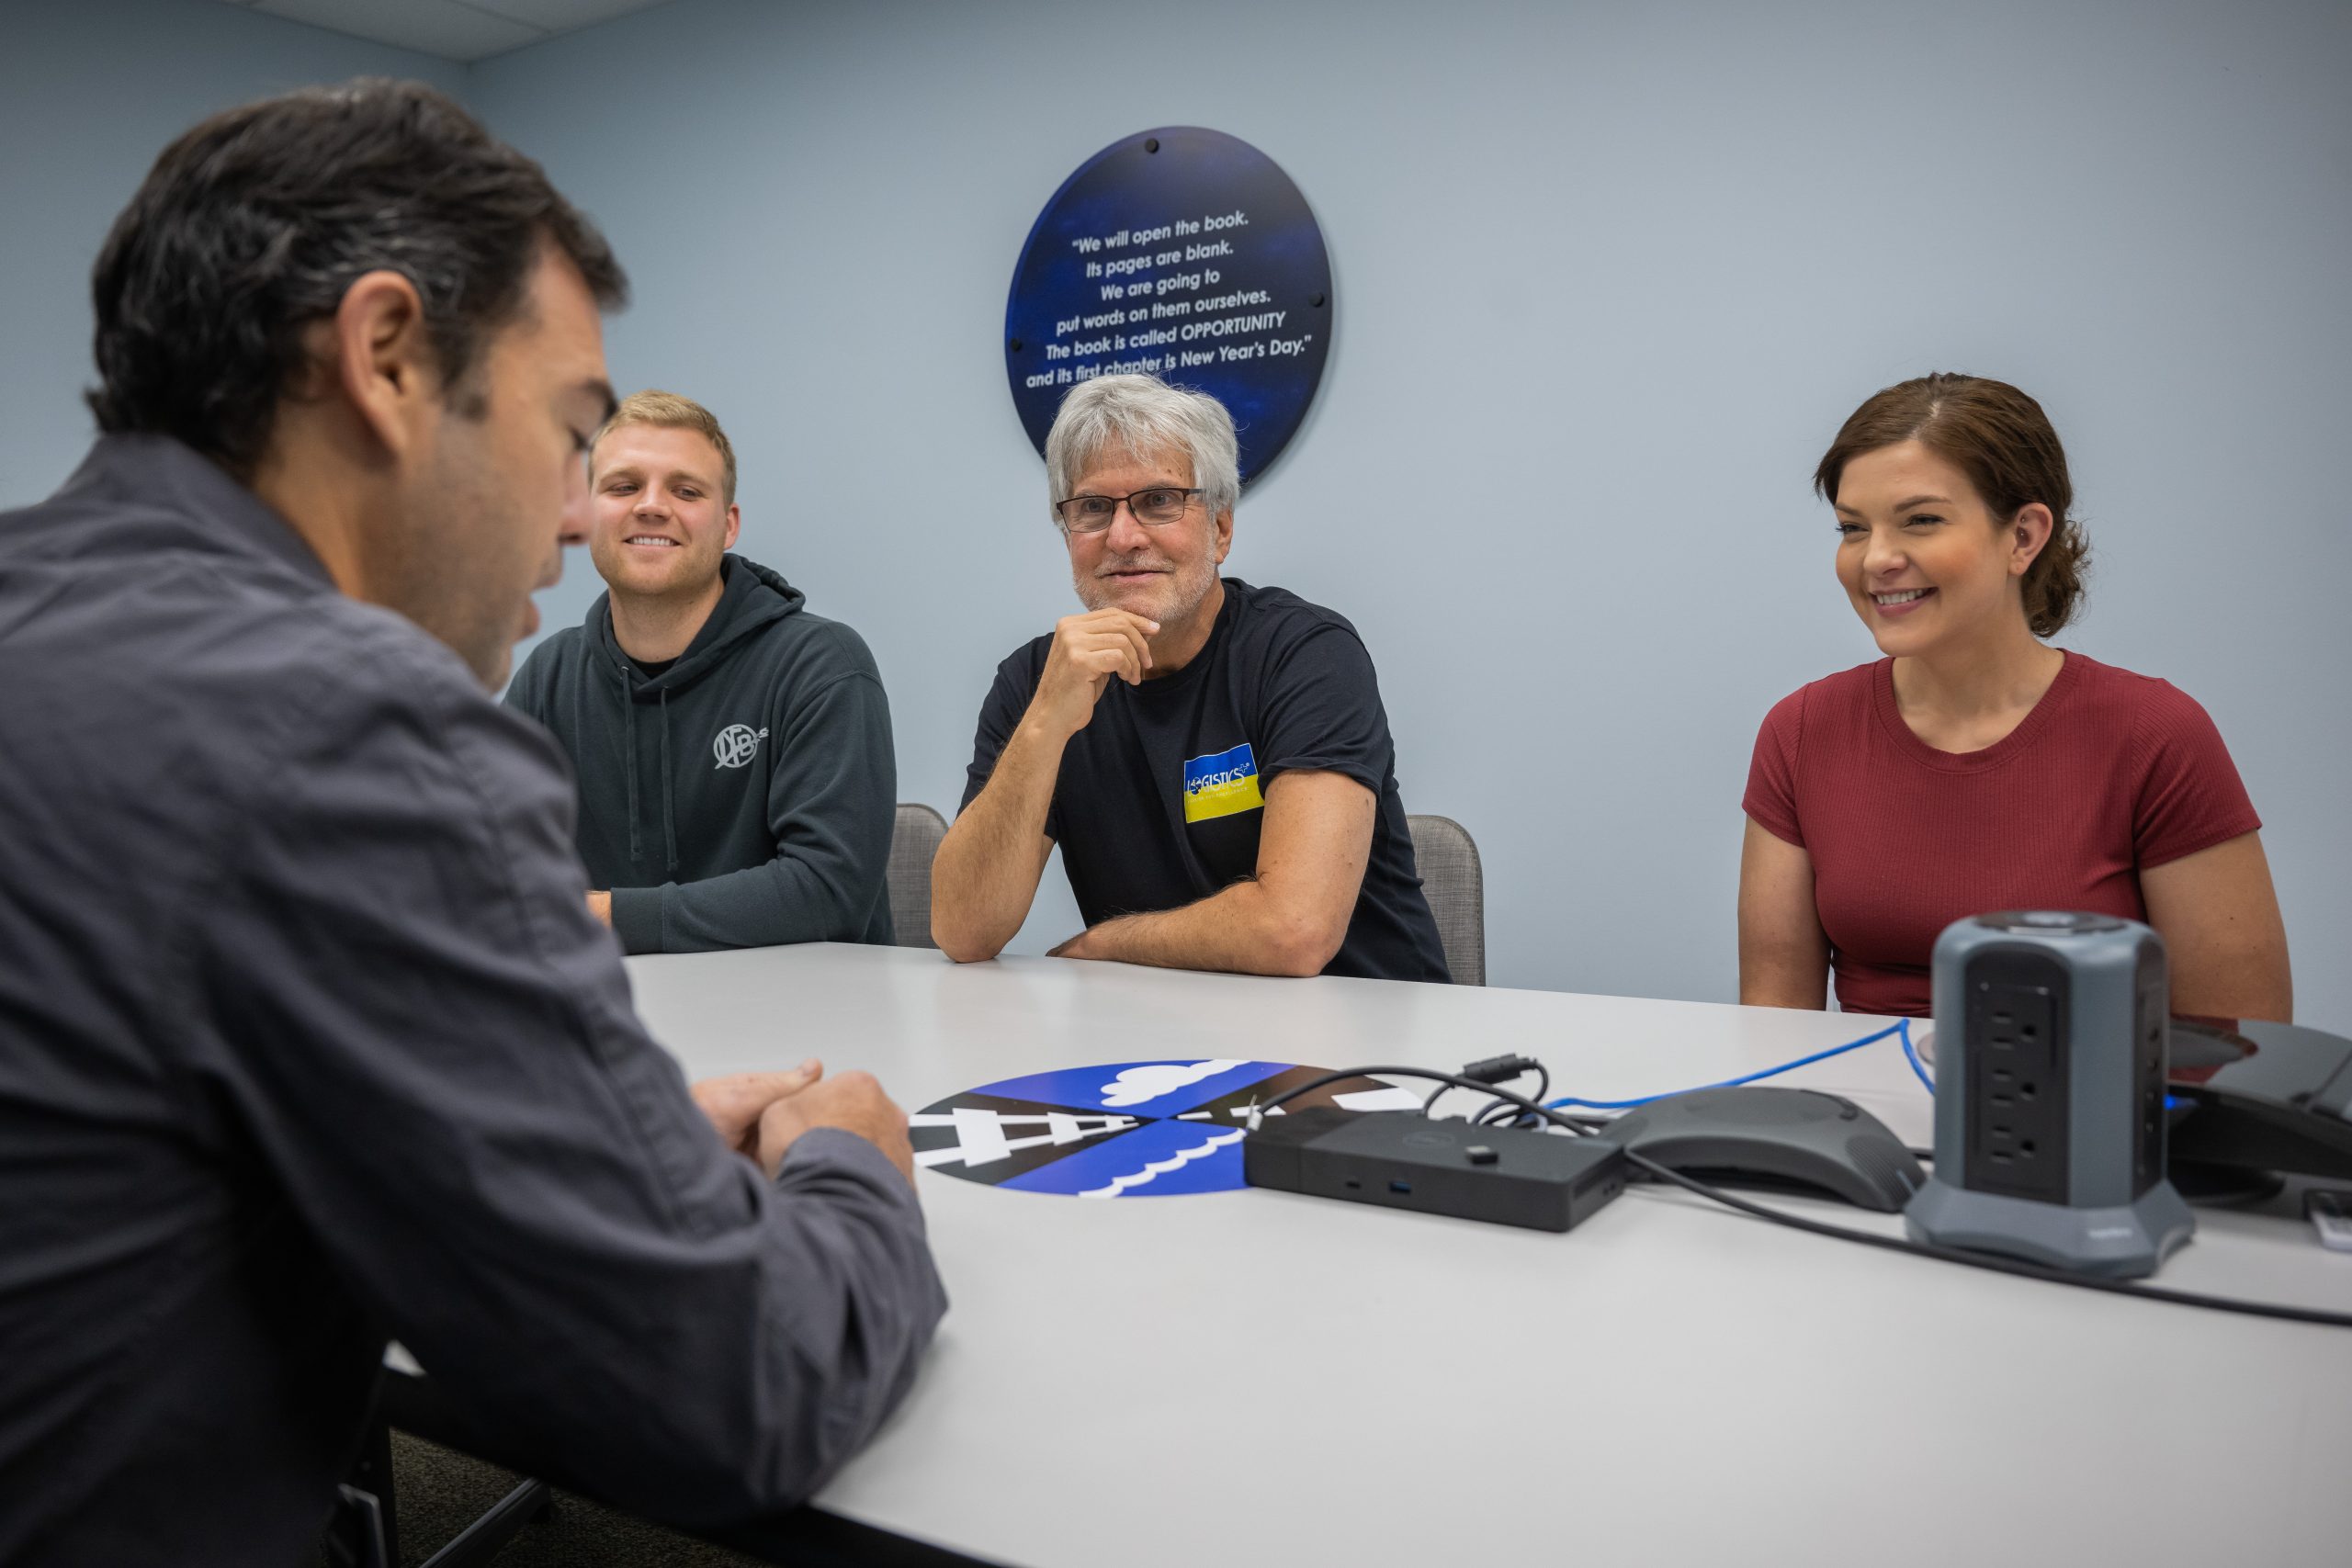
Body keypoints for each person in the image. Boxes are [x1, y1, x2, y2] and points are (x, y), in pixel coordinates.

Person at [0, 81, 944, 1567]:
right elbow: (733, 1394)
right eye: (573, 433)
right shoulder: (348, 723)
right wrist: (848, 1163)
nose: (584, 518)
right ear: (383, 357)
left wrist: (552, 1130)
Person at [1738, 372, 2292, 1021]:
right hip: (1860, 1119)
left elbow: (2236, 1049)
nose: (1875, 559)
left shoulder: (2156, 735)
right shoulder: (1803, 729)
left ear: (2024, 536)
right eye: (1853, 528)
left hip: (2081, 1120)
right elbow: (1774, 1026)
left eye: (1920, 521)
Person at [932, 373, 1449, 981]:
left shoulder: (1305, 653)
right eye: (1093, 508)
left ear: (1221, 529)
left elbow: (1294, 931)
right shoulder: (1035, 681)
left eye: (1159, 501)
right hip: (1166, 1042)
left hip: (1367, 1042)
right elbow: (962, 929)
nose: (1123, 536)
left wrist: (1106, 943)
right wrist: (1044, 723)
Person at [504, 389, 898, 953]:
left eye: (685, 491)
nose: (651, 506)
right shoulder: (549, 679)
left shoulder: (822, 666)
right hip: (605, 1016)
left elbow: (827, 893)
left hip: (804, 1019)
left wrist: (600, 916)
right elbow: (481, 864)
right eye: (623, 487)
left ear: (729, 525)